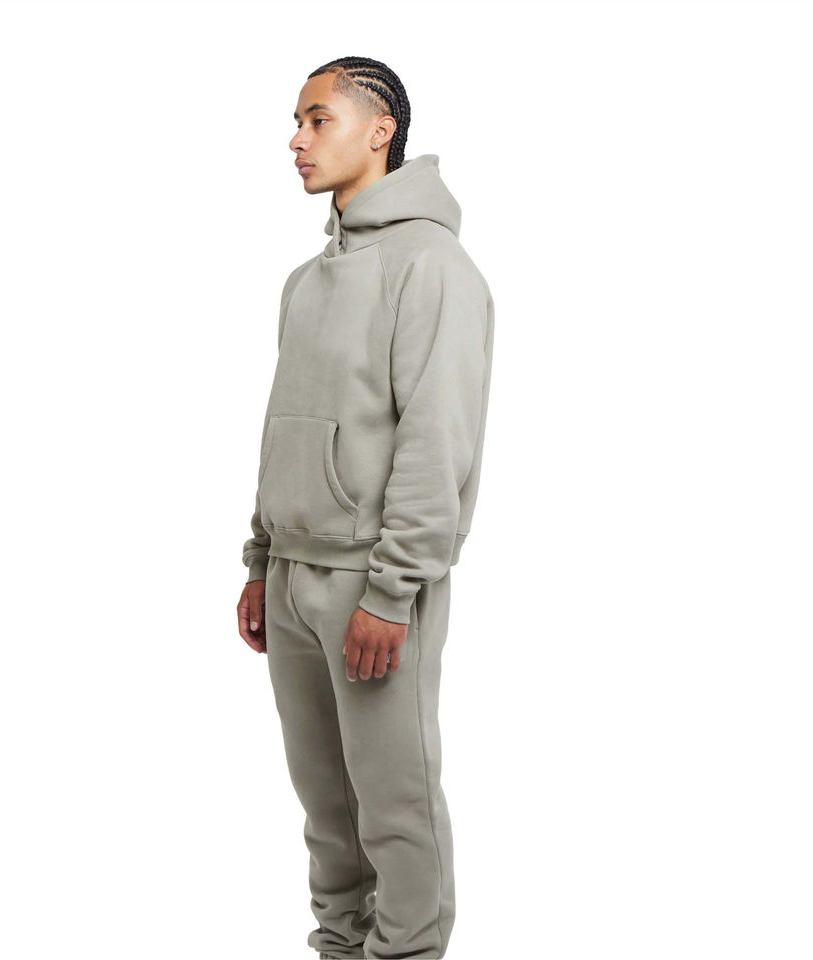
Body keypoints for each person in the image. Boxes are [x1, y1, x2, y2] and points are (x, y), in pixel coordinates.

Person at [236, 56, 494, 960]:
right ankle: (339, 948)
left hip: (372, 585)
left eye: (318, 120)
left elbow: (438, 439)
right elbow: (283, 424)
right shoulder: (305, 281)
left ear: (380, 131)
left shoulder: (433, 268)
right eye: (297, 122)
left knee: (395, 805)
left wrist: (391, 592)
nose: (296, 140)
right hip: (294, 575)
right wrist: (261, 559)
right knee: (327, 809)